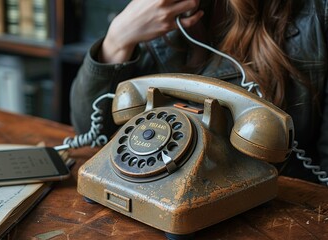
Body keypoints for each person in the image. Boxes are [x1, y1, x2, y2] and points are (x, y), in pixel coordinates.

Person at [69, 0, 328, 184]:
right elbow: (91, 133)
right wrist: (118, 39)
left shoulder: (317, 13)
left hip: (274, 205)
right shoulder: (160, 8)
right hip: (154, 188)